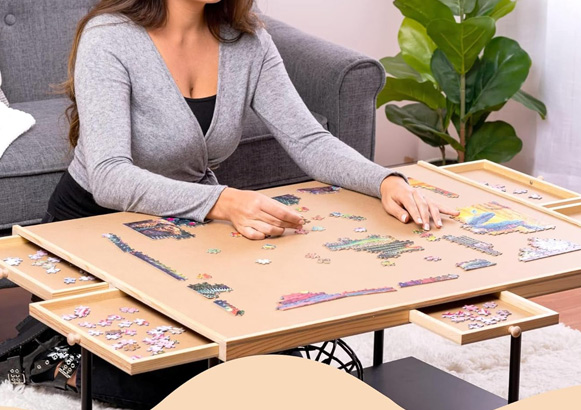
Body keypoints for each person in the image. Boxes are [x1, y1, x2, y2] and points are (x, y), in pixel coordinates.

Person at [0, 0, 458, 408]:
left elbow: (309, 138)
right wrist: (220, 200)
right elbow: (108, 176)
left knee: (272, 365)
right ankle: (43, 357)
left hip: (184, 229)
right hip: (95, 227)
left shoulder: (248, 39)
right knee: (179, 379)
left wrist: (384, 180)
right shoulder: (110, 38)